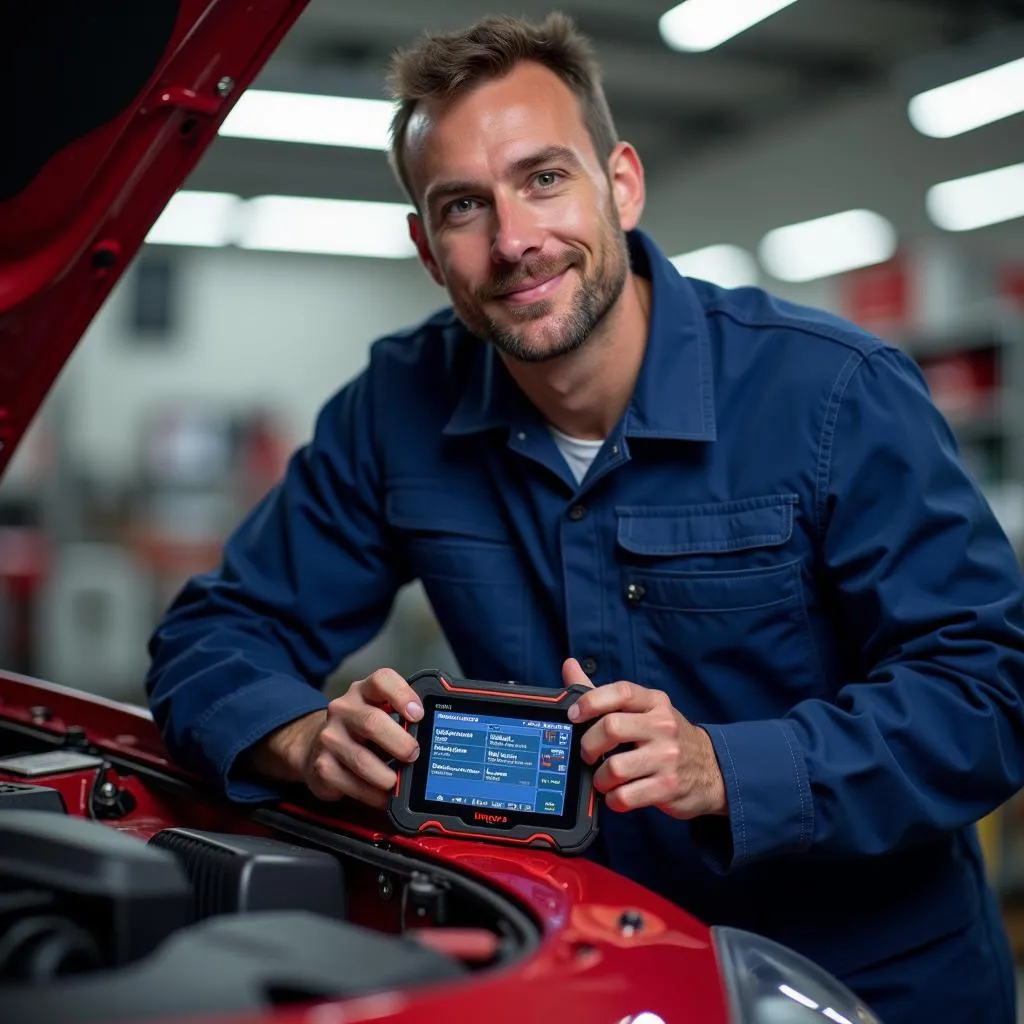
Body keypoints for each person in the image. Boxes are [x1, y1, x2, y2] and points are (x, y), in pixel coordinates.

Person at [144, 12, 1024, 1022]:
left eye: (544, 177)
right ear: (427, 249)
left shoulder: (833, 392)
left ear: (623, 182)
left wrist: (727, 766)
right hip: (580, 967)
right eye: (463, 204)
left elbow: (987, 691)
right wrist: (296, 737)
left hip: (859, 982)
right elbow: (213, 638)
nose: (514, 240)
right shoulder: (397, 407)